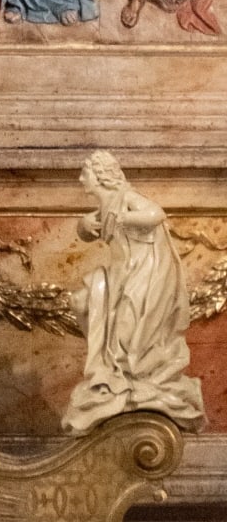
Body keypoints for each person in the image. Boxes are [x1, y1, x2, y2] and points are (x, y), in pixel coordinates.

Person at [63, 151, 204, 433]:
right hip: (119, 274)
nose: (81, 179)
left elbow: (156, 213)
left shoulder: (126, 197)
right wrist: (84, 225)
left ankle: (132, 378)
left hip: (144, 273)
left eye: (85, 173)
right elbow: (88, 229)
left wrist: (126, 219)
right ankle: (106, 369)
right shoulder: (104, 208)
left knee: (130, 330)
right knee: (81, 303)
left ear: (101, 176)